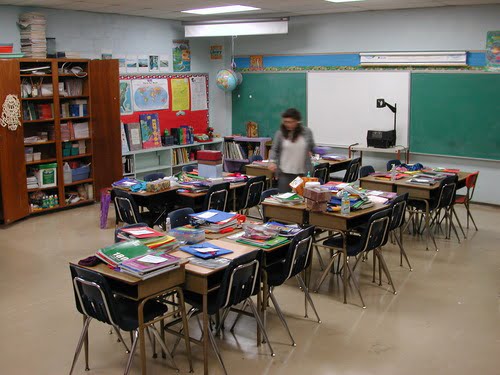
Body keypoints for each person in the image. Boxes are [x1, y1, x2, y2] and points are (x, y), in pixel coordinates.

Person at [268, 108, 316, 193]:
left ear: (297, 121)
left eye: (290, 122)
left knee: (300, 198)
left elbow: (312, 147)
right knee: (285, 199)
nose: (287, 124)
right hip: (285, 174)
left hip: (301, 174)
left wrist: (313, 151)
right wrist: (272, 161)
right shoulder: (280, 134)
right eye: (285, 122)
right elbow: (274, 149)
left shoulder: (306, 132)